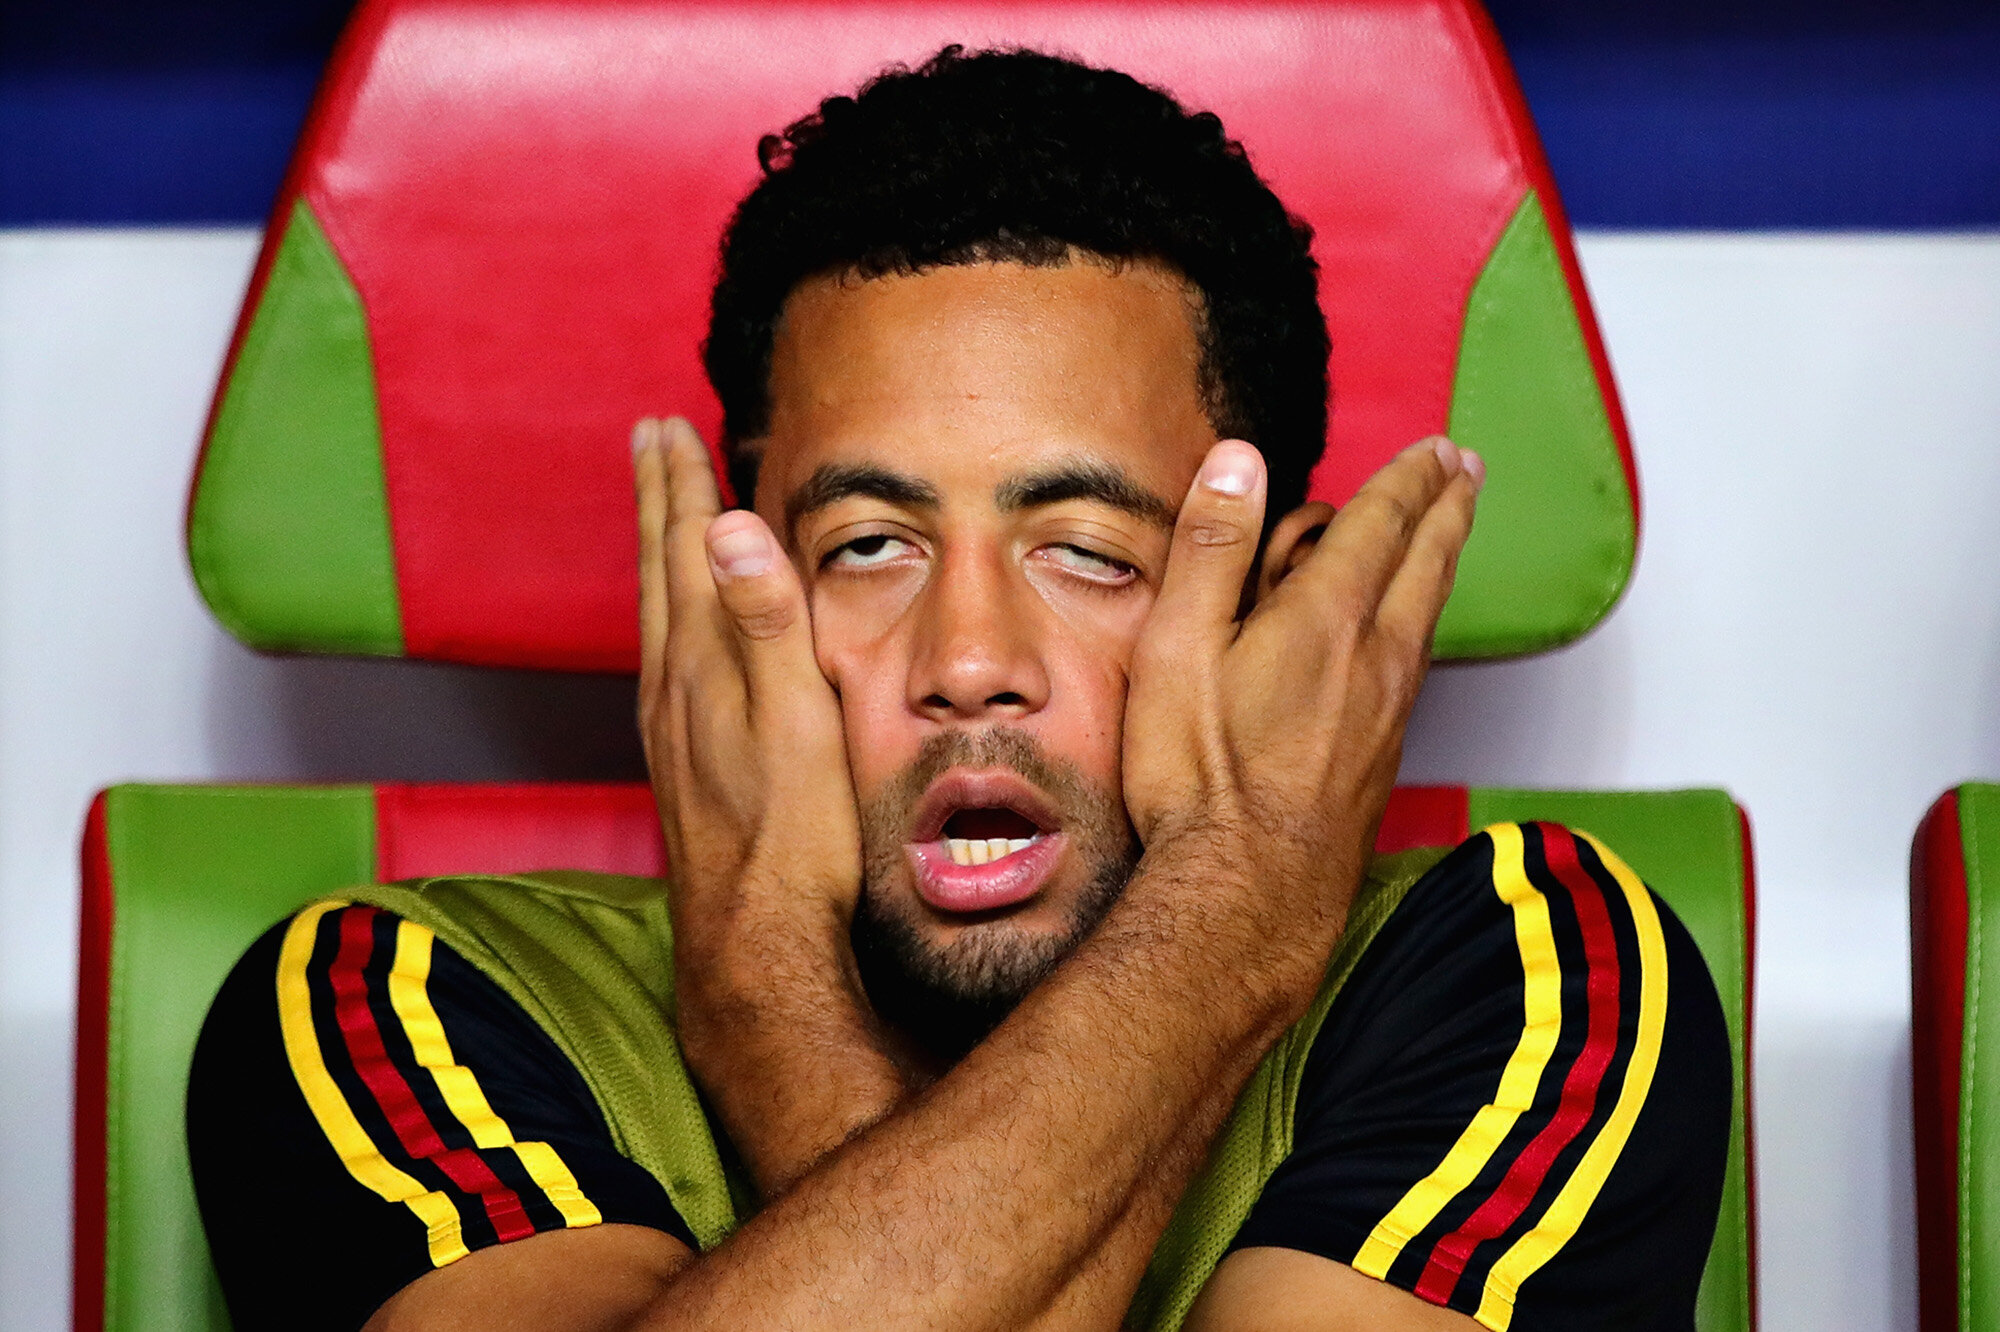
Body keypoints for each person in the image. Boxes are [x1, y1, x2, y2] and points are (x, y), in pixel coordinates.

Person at [187, 47, 1730, 1332]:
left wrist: (789, 1029)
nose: (970, 666)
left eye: (1088, 554)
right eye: (868, 546)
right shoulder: (403, 1000)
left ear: (1282, 611)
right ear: (743, 592)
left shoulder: (1532, 977)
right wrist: (1223, 925)